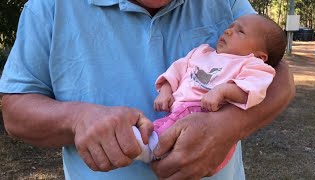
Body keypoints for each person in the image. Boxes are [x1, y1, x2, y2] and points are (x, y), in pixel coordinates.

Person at [0, 0, 295, 179]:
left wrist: (229, 126)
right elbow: (15, 110)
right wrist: (76, 119)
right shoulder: (49, 7)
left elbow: (278, 74)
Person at [133, 14, 287, 173]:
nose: (228, 31)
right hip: (177, 111)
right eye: (231, 26)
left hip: (206, 114)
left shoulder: (252, 65)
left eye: (240, 32)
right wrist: (165, 91)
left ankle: (145, 148)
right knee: (166, 132)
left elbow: (254, 90)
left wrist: (224, 91)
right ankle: (147, 145)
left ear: (260, 56)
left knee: (172, 138)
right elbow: (176, 70)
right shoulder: (201, 52)